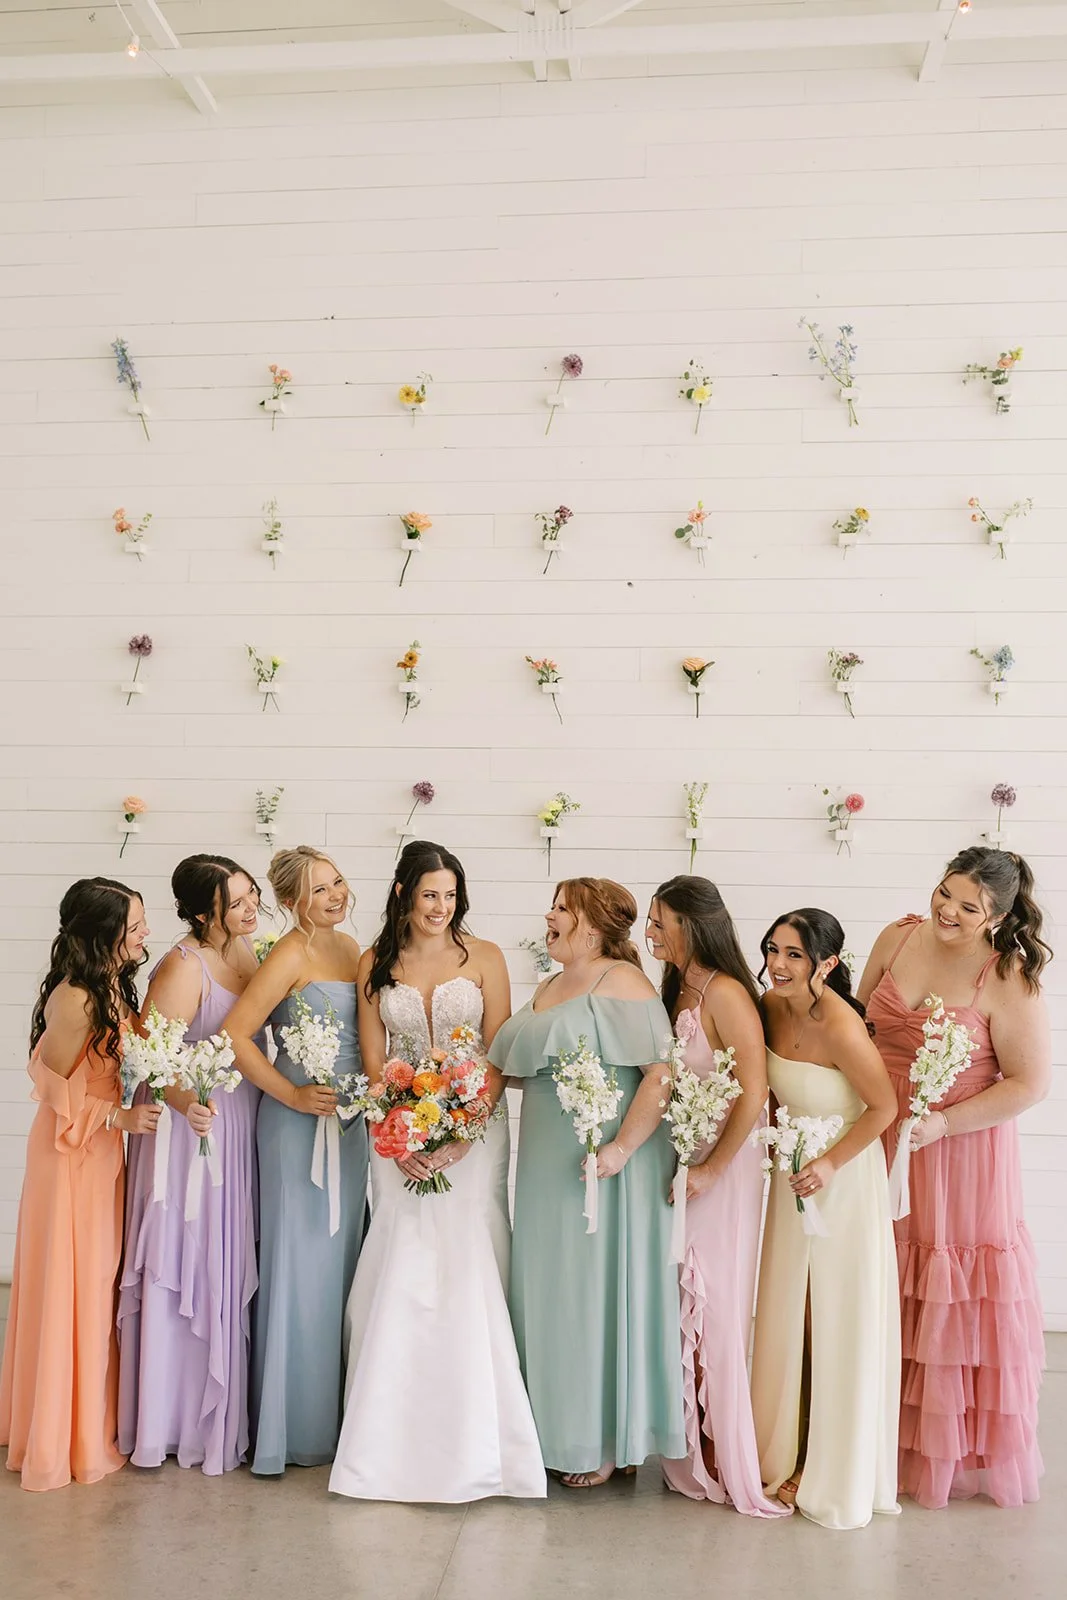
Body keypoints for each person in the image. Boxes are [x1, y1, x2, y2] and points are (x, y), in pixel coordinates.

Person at [329, 841, 545, 1503]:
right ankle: (387, 1428)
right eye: (429, 894)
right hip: (399, 1131)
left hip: (475, 1129)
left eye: (449, 896)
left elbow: (500, 1051)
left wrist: (462, 1133)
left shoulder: (484, 958)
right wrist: (401, 1134)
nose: (440, 907)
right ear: (402, 894)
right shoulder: (375, 962)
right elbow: (374, 1060)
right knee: (404, 1253)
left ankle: (486, 1429)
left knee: (469, 1252)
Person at [858, 847, 1050, 1509]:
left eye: (968, 907)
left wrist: (943, 1123)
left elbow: (1028, 1084)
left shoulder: (1008, 975)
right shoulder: (895, 935)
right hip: (878, 1133)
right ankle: (865, 1435)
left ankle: (941, 1454)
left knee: (944, 1287)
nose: (948, 911)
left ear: (996, 916)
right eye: (945, 893)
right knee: (873, 1279)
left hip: (958, 1153)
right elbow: (855, 1029)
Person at [489, 877, 685, 1488]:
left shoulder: (621, 981)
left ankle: (601, 1437)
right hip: (547, 1157)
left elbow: (659, 1073)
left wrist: (621, 1151)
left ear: (593, 928)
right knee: (547, 1288)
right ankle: (548, 1429)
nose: (549, 915)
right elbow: (518, 1065)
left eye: (561, 909)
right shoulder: (550, 985)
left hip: (604, 1162)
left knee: (589, 1292)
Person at [0, 879, 160, 1491]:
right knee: (73, 1285)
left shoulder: (113, 987)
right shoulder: (75, 999)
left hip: (100, 1157)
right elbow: (52, 1088)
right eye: (135, 926)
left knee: (95, 1285)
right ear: (102, 933)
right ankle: (62, 1438)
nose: (144, 934)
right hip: (70, 1156)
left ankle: (85, 1421)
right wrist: (117, 1117)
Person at [750, 908, 901, 1531]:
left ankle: (828, 1465)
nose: (777, 965)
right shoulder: (767, 1003)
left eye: (793, 956)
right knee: (790, 1315)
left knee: (836, 1317)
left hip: (840, 1183)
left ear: (828, 965)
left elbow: (885, 1106)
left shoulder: (839, 1023)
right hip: (792, 1179)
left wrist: (832, 1164)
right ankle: (781, 1451)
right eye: (773, 950)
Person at [117, 855, 265, 1475]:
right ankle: (175, 1420)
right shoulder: (183, 965)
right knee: (188, 1264)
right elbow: (151, 1056)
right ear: (204, 913)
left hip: (236, 1128)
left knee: (225, 1262)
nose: (250, 907)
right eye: (235, 903)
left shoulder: (251, 953)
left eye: (251, 893)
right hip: (190, 1136)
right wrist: (187, 1103)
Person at [647, 877, 789, 1517]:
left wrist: (713, 1167)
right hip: (686, 1159)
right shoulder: (678, 987)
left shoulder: (728, 993)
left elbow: (754, 1090)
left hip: (725, 1167)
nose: (651, 934)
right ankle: (690, 1446)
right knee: (682, 1294)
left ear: (691, 925)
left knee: (718, 1297)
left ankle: (729, 1456)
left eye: (659, 923)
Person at [225, 846, 368, 1476]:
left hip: (352, 1122)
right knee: (298, 1266)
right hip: (295, 1124)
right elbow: (235, 1035)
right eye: (319, 890)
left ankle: (340, 1422)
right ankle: (292, 1426)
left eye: (338, 882)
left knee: (343, 1268)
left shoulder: (353, 947)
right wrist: (291, 1094)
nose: (336, 895)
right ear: (292, 902)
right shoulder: (288, 952)